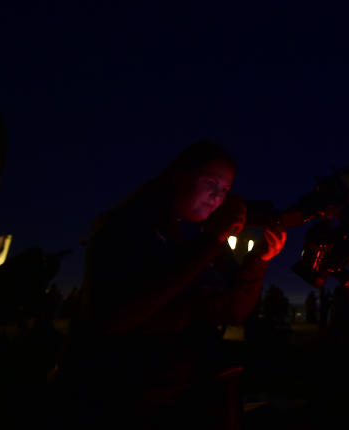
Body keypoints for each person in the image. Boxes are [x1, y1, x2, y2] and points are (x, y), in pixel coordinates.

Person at [60, 141, 286, 428]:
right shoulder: (126, 229)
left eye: (226, 189)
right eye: (210, 183)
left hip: (174, 395)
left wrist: (259, 259)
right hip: (117, 398)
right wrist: (210, 243)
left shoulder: (197, 238)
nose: (217, 196)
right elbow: (113, 316)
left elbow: (232, 312)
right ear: (179, 176)